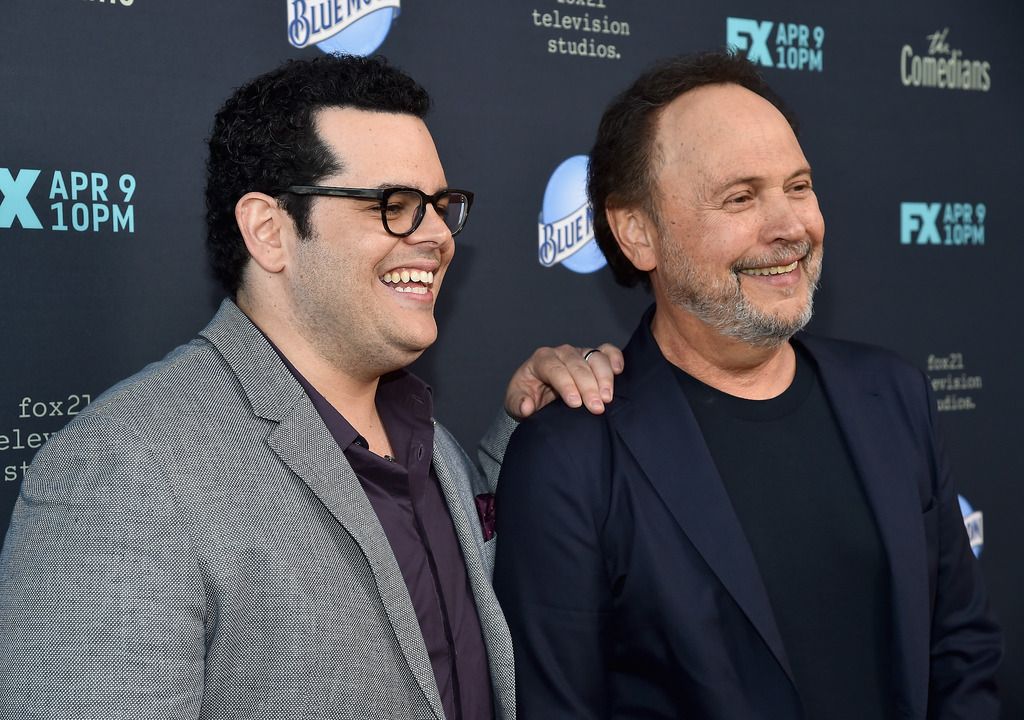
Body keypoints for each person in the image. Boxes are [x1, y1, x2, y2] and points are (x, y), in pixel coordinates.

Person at [0, 54, 620, 720]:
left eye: (440, 207)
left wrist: (525, 430)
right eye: (396, 206)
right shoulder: (124, 474)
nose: (439, 236)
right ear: (270, 231)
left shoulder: (432, 446)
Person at [493, 50, 1001, 719]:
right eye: (741, 197)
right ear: (637, 232)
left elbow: (959, 652)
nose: (790, 226)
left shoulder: (893, 395)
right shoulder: (571, 456)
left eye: (798, 186)